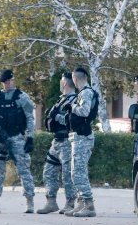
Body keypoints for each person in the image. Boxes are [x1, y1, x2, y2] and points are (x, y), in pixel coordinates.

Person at [0, 69, 35, 214]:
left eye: (10, 81)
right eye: (6, 82)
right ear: (3, 82)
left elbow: (30, 117)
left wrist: (30, 137)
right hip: (0, 138)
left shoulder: (21, 97)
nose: (9, 83)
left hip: (17, 137)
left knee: (24, 170)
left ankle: (30, 202)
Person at [37, 73, 78, 214]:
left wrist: (57, 116)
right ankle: (51, 202)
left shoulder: (75, 100)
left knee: (67, 174)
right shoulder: (61, 100)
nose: (60, 84)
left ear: (65, 83)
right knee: (48, 171)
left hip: (67, 141)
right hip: (56, 141)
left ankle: (71, 202)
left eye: (61, 82)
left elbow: (71, 121)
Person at [64, 67, 99, 217]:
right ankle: (81, 203)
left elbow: (84, 111)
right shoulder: (85, 92)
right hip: (79, 136)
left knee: (78, 172)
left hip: (82, 137)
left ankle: (89, 205)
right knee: (77, 171)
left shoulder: (86, 92)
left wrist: (72, 106)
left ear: (75, 78)